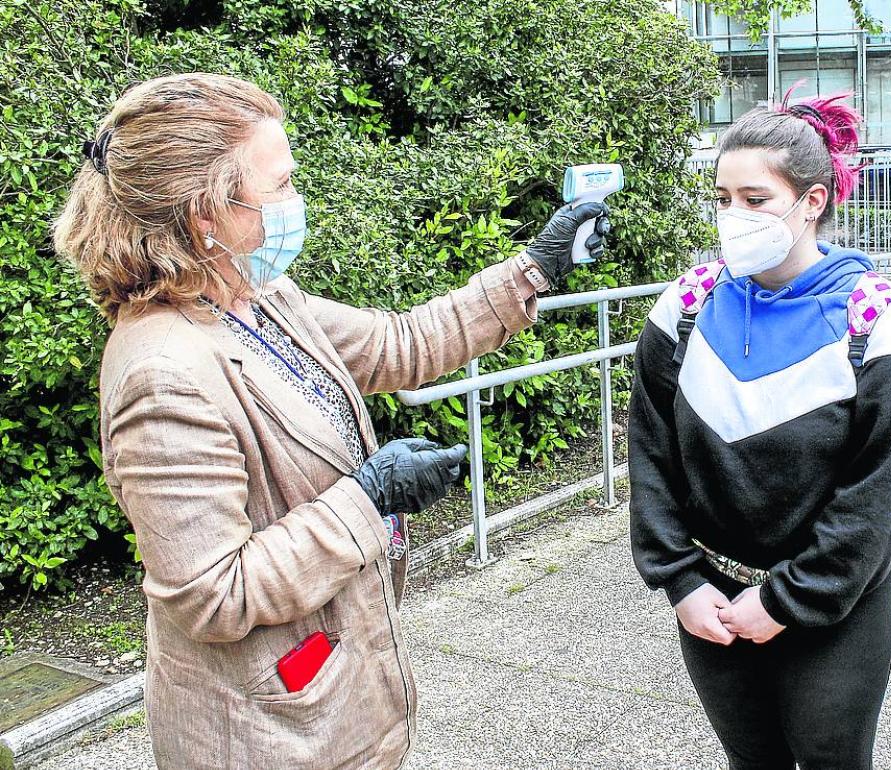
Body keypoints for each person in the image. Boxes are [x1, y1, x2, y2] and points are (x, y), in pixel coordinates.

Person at [52, 73, 609, 770]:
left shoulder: (257, 297)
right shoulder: (161, 371)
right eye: (279, 185)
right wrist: (368, 498)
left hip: (332, 701)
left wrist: (537, 268)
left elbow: (397, 344)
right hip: (269, 737)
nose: (296, 202)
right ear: (206, 213)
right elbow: (211, 595)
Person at [629, 94, 891, 770]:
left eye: (755, 197)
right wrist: (679, 581)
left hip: (838, 612)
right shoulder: (684, 309)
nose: (733, 216)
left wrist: (787, 599)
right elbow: (651, 456)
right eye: (722, 196)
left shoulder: (880, 324)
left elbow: (883, 498)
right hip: (711, 604)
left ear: (813, 201)